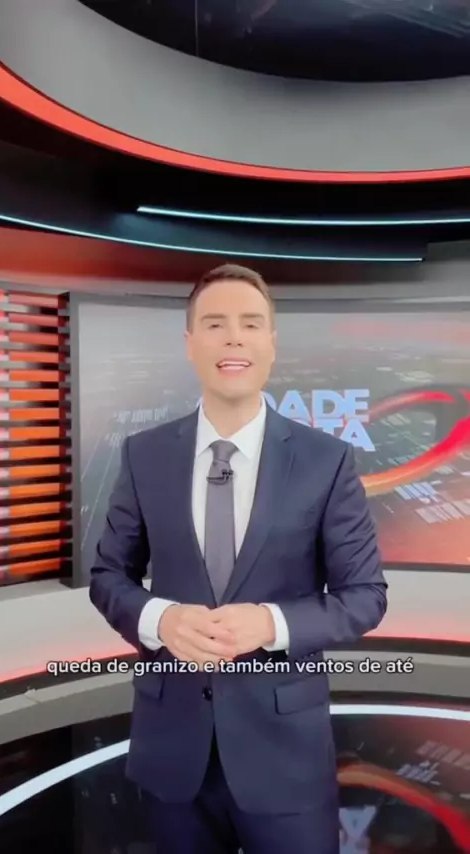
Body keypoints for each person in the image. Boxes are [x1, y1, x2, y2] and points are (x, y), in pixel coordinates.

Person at [89, 263, 388, 854]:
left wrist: (270, 624)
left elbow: (364, 597)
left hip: (285, 756)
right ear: (190, 343)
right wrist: (161, 620)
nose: (233, 339)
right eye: (215, 324)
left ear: (271, 342)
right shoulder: (145, 454)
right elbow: (108, 576)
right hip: (172, 751)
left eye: (250, 324)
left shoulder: (326, 460)